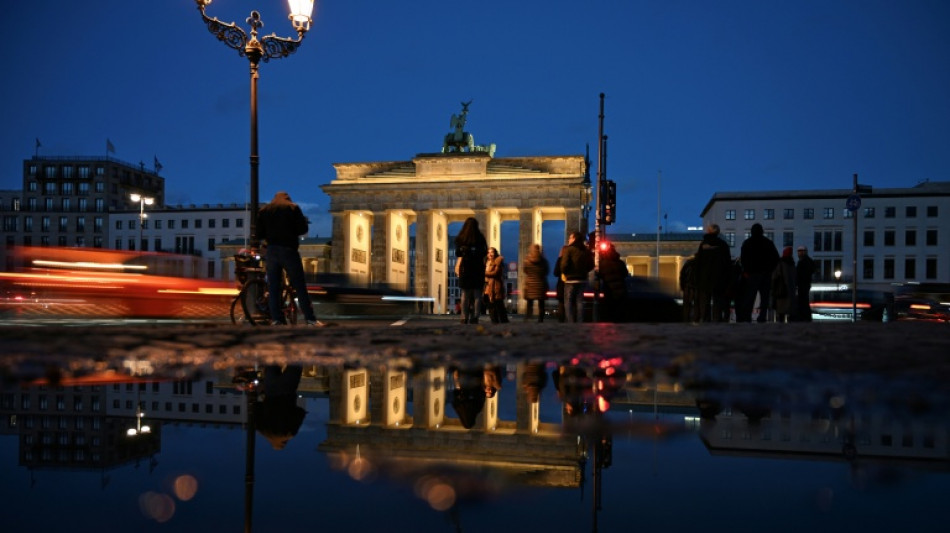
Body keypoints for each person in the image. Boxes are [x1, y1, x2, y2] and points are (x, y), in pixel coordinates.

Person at [256, 191, 320, 326]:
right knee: (299, 286)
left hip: (272, 251)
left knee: (273, 287)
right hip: (288, 249)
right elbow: (302, 229)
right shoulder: (293, 207)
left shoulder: (265, 210)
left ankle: (277, 319)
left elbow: (259, 233)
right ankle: (310, 319)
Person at [254, 364, 306, 450]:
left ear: (283, 443)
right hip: (270, 391)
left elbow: (300, 413)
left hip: (288, 391)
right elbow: (257, 408)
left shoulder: (289, 433)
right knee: (273, 359)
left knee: (296, 361)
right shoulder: (263, 431)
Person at [739, 223, 779, 323]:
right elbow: (776, 258)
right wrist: (770, 269)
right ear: (762, 231)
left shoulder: (747, 243)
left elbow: (743, 259)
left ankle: (747, 317)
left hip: (752, 274)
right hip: (765, 274)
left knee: (750, 297)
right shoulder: (768, 243)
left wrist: (746, 271)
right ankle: (762, 317)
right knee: (764, 298)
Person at [694, 224, 733, 322]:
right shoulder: (723, 245)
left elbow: (698, 262)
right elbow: (728, 263)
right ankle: (717, 320)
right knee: (718, 302)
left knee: (705, 302)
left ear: (709, 231)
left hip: (705, 278)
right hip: (719, 278)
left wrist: (697, 278)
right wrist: (727, 279)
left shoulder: (703, 245)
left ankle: (705, 320)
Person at [454, 217, 488, 324]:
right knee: (477, 294)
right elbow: (484, 253)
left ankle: (464, 317)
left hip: (466, 268)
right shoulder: (480, 238)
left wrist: (465, 251)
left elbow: (457, 253)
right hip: (477, 268)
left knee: (465, 294)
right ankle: (475, 317)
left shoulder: (462, 238)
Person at [558, 231, 594, 323]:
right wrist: (584, 271)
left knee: (568, 301)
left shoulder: (569, 250)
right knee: (580, 301)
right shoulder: (586, 250)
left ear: (574, 238)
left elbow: (563, 264)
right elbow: (591, 265)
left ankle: (570, 322)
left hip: (570, 279)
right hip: (582, 279)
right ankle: (580, 321)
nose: (568, 240)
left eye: (570, 237)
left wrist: (565, 272)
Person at [597, 243, 629, 322]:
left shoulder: (602, 264)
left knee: (609, 311)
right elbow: (625, 274)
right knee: (620, 312)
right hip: (621, 289)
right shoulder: (620, 262)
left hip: (609, 290)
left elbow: (599, 275)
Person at [521, 243, 550, 322]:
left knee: (529, 303)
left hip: (530, 284)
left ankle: (528, 317)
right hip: (541, 284)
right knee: (541, 303)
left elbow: (525, 270)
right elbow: (547, 271)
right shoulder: (543, 261)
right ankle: (540, 319)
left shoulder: (527, 260)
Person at [771, 246, 797, 323]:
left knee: (781, 309)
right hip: (790, 290)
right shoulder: (792, 264)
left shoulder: (780, 263)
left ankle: (781, 323)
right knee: (789, 309)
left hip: (781, 290)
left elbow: (775, 276)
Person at [484, 247, 509, 323]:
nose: (490, 254)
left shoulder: (498, 262)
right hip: (487, 286)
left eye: (492, 252)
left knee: (498, 304)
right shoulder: (486, 262)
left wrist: (483, 273)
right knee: (490, 304)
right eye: (488, 252)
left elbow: (495, 273)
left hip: (496, 285)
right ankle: (495, 321)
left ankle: (503, 321)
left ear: (495, 253)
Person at [795, 245, 816, 322]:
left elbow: (799, 273)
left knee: (803, 301)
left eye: (800, 252)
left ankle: (804, 317)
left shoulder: (802, 262)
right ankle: (806, 317)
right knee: (804, 301)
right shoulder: (808, 261)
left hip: (803, 284)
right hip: (805, 283)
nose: (799, 253)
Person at [679, 255, 698, 322]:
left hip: (688, 287)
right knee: (695, 305)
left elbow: (682, 275)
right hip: (694, 287)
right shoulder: (697, 265)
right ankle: (694, 319)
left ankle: (686, 319)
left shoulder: (688, 264)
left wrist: (682, 286)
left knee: (687, 306)